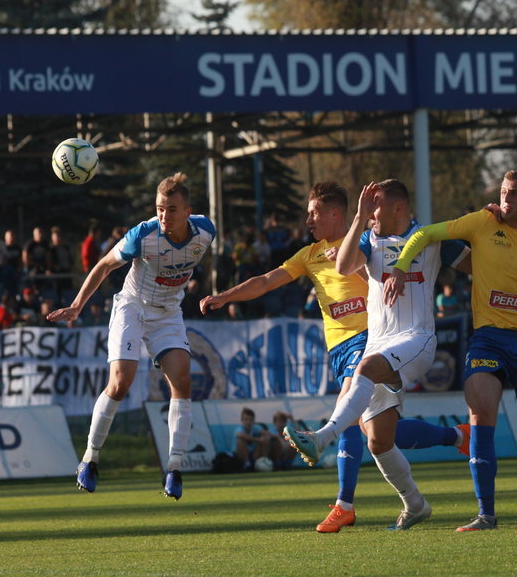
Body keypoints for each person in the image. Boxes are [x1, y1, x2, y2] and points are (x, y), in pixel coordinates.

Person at [200, 182, 467, 532]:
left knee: (350, 411)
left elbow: (370, 271)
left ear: (335, 213)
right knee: (381, 438)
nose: (308, 220)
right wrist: (225, 296)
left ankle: (343, 499)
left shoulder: (368, 240)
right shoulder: (311, 254)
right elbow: (266, 281)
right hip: (339, 349)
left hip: (371, 340)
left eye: (314, 213)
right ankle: (455, 443)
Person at [385, 170, 517, 531]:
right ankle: (486, 515)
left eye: (515, 194)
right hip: (488, 339)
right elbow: (425, 233)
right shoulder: (482, 222)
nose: (507, 199)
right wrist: (399, 266)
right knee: (480, 417)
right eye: (504, 191)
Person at [284, 179, 472, 531]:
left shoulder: (431, 239)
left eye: (376, 206)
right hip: (380, 345)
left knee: (365, 369)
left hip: (416, 339)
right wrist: (357, 218)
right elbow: (342, 266)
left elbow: (477, 264)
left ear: (399, 208)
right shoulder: (370, 239)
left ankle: (321, 437)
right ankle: (415, 503)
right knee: (380, 440)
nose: (372, 213)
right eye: (367, 207)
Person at [48, 173, 214, 500]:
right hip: (133, 306)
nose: (165, 216)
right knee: (121, 381)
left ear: (188, 210)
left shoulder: (206, 231)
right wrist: (78, 305)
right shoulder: (144, 234)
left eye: (172, 209)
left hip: (167, 313)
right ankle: (90, 459)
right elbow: (104, 265)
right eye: (160, 208)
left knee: (182, 379)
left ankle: (175, 468)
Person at [233, 407, 271, 472]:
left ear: (254, 420)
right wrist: (258, 440)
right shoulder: (239, 429)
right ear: (242, 420)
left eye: (251, 420)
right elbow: (240, 435)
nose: (248, 422)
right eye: (246, 419)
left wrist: (266, 437)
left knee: (264, 438)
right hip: (239, 456)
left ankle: (263, 461)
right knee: (240, 440)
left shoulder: (255, 428)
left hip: (253, 454)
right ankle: (247, 464)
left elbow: (266, 433)